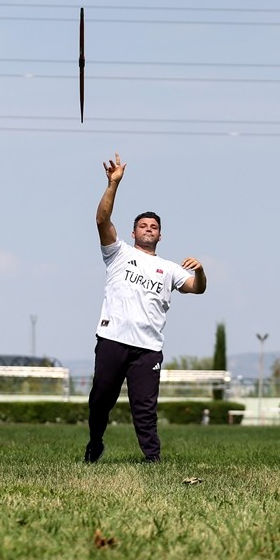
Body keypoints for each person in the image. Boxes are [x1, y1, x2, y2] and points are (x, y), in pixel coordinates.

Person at [85, 152, 207, 464]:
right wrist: (113, 184)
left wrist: (201, 271)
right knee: (100, 401)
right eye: (143, 225)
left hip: (148, 349)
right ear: (133, 232)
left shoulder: (170, 269)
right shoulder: (118, 254)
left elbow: (196, 288)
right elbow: (101, 220)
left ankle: (153, 459)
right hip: (112, 340)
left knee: (145, 408)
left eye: (153, 226)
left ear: (160, 234)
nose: (148, 229)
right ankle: (95, 443)